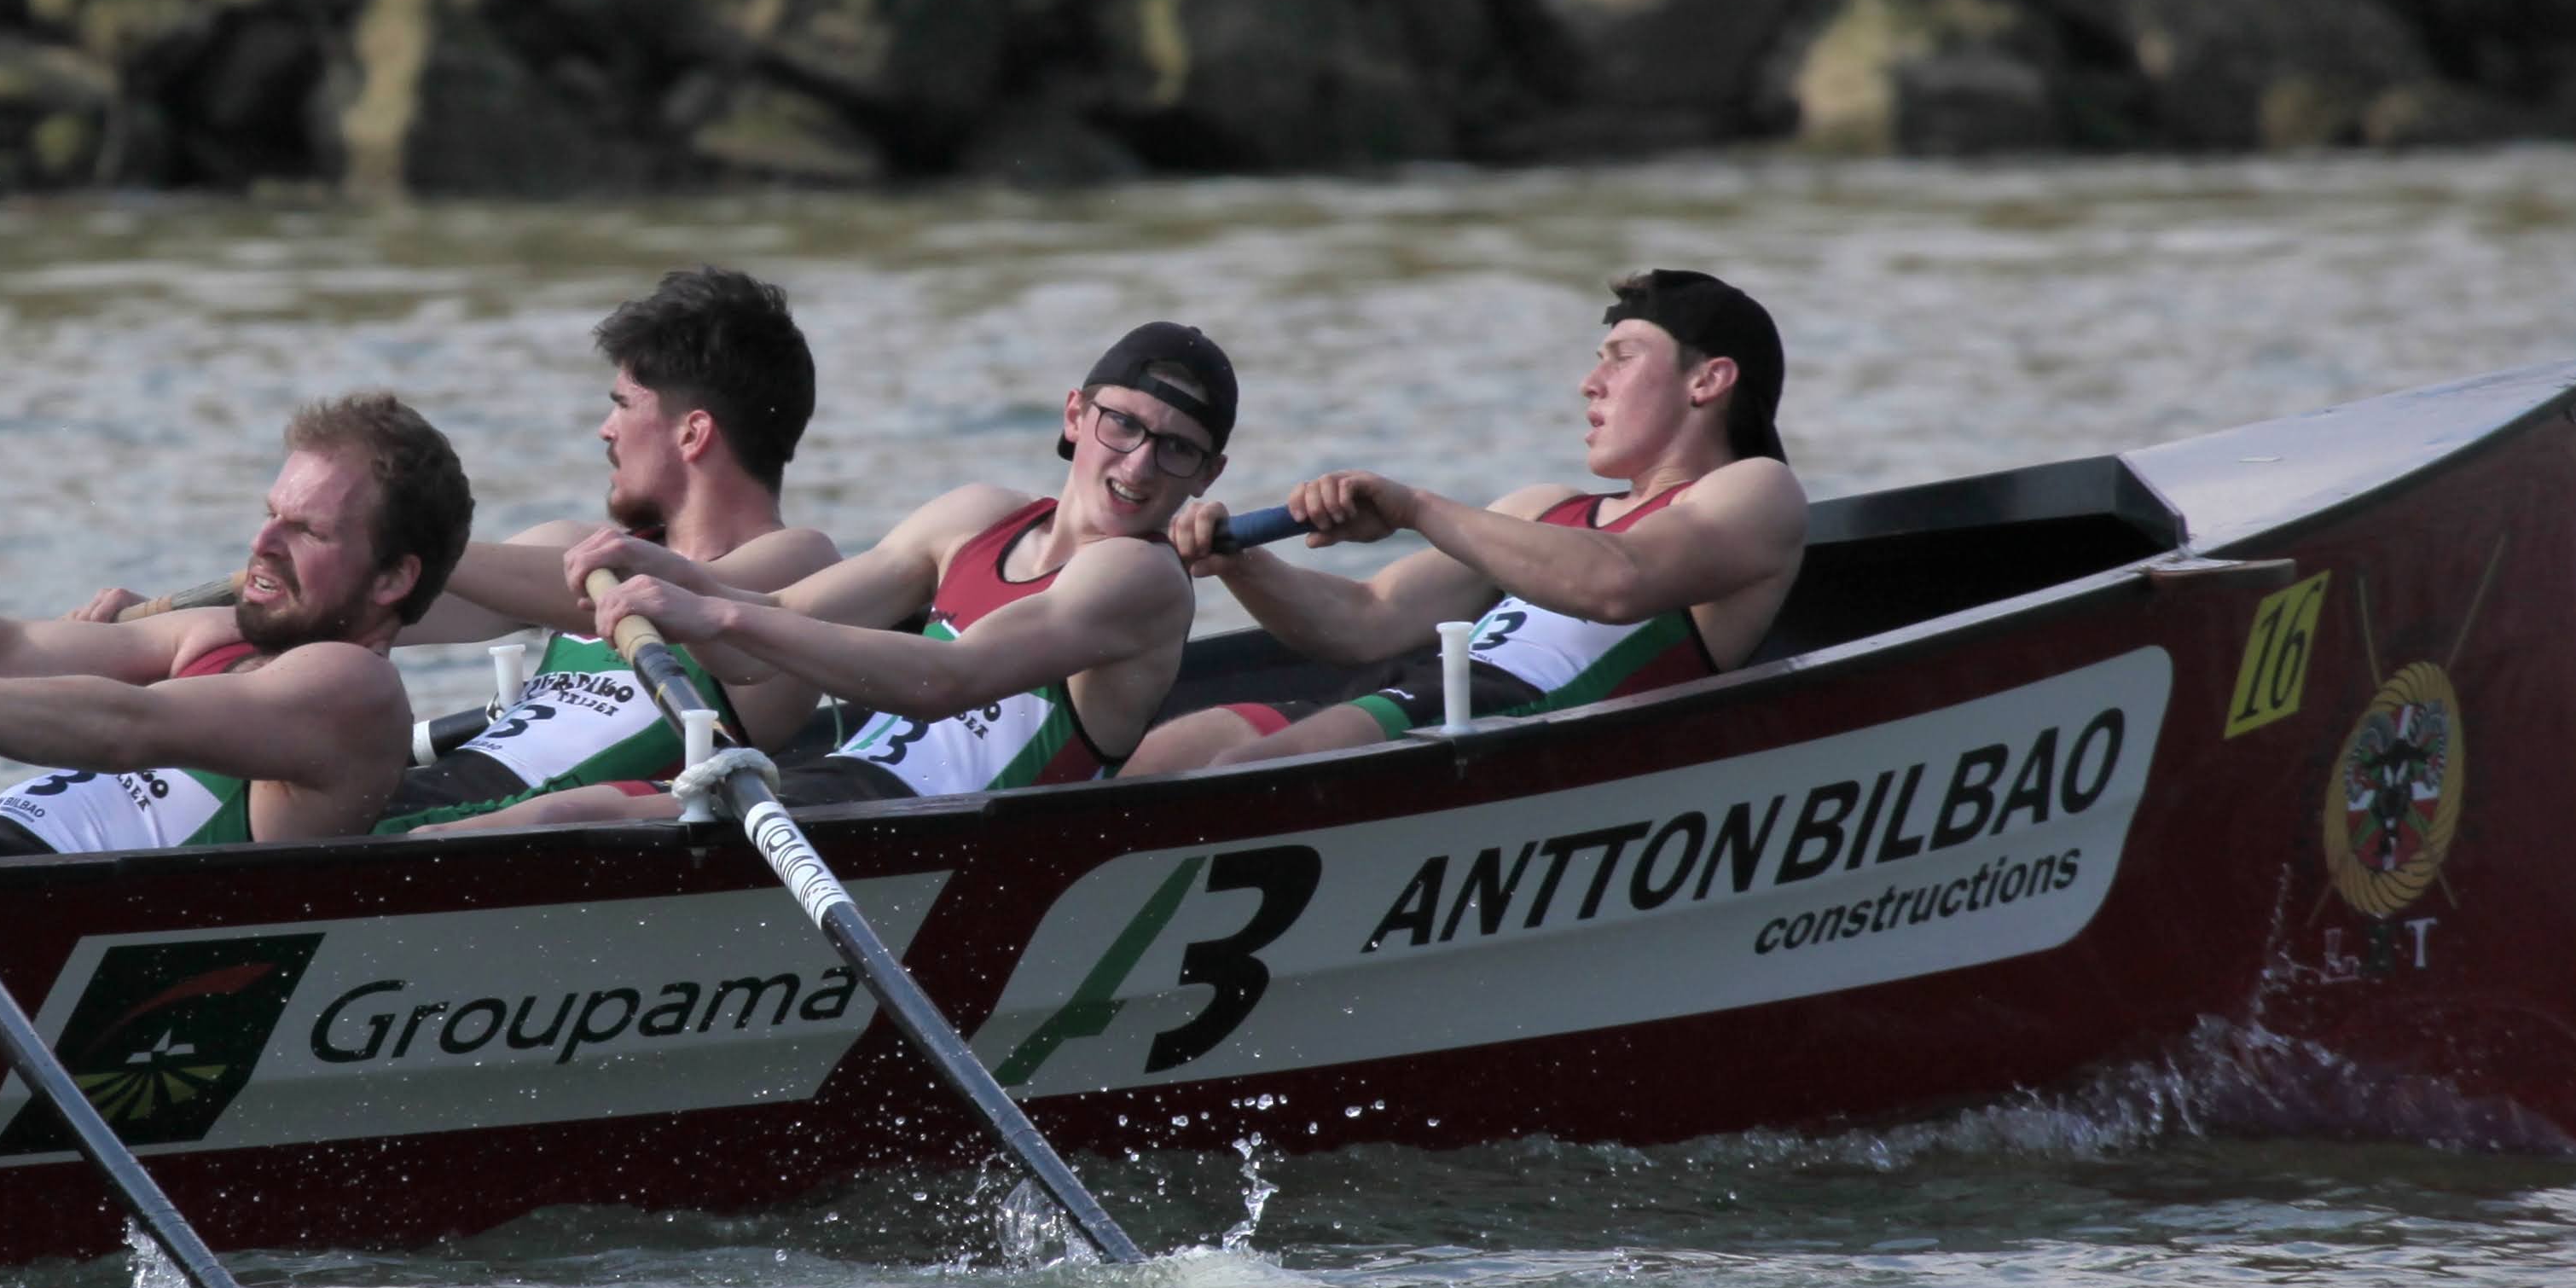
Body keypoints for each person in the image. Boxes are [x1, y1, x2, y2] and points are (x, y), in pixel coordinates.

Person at [457, 323, 1231, 827]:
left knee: (560, 821)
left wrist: (718, 617)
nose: (1136, 464)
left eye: (1176, 449)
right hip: (840, 794)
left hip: (939, 833)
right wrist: (661, 567)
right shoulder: (975, 515)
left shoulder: (1141, 577)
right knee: (506, 825)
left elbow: (948, 679)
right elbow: (772, 625)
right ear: (1074, 416)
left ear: (1207, 474)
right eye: (1122, 424)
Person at [1124, 270, 1807, 775]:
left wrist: (1416, 508)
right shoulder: (1544, 506)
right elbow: (1366, 619)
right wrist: (1242, 565)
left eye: (1621, 357)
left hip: (1531, 728)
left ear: (1709, 380)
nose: (1589, 383)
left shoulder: (1755, 490)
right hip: (1423, 699)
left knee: (1237, 775)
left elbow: (1617, 581)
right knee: (1157, 761)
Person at [0, 392, 469, 853]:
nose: (262, 543)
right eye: (270, 514)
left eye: (306, 530)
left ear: (394, 576)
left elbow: (128, 725)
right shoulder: (218, 633)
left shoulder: (354, 684)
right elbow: (11, 646)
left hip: (54, 896)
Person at [371, 269, 838, 829]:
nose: (604, 429)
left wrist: (397, 536)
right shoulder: (571, 547)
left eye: (623, 404)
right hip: (411, 798)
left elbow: (655, 590)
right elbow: (384, 609)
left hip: (494, 830)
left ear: (693, 434)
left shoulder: (799, 565)